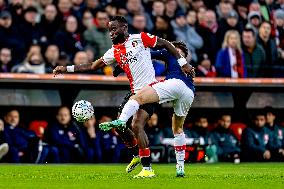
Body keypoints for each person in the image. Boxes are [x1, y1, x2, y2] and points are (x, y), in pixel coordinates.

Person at [53, 16, 191, 178]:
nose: (111, 33)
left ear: (124, 28)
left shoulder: (140, 38)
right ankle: (136, 155)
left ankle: (147, 169)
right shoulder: (114, 52)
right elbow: (91, 65)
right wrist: (65, 68)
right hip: (134, 93)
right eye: (109, 30)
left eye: (114, 29)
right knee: (119, 125)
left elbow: (166, 44)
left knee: (137, 125)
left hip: (150, 91)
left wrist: (183, 63)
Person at [99, 41, 195, 177]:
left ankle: (121, 121)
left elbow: (146, 54)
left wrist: (122, 65)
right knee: (178, 128)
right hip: (189, 92)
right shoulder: (188, 66)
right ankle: (180, 167)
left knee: (137, 98)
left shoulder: (170, 53)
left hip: (175, 83)